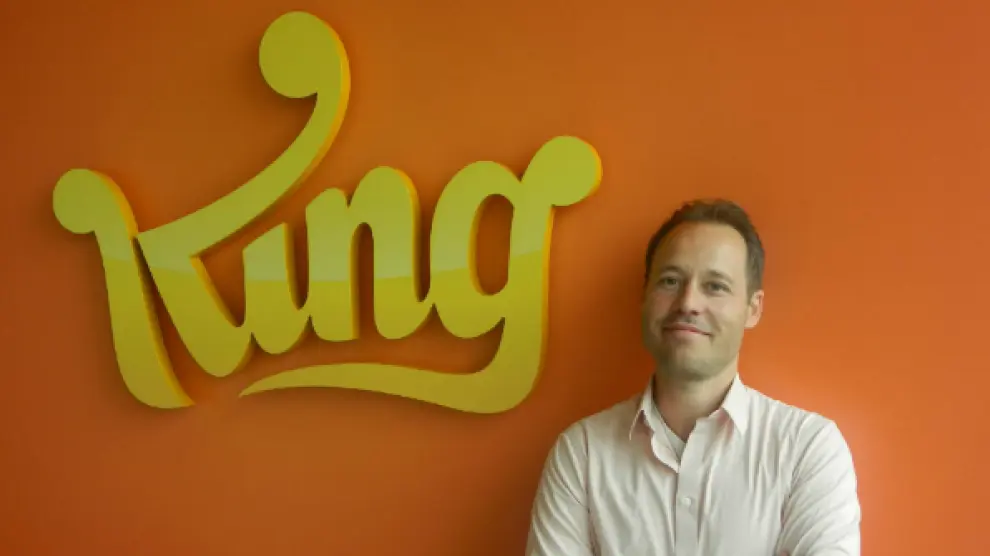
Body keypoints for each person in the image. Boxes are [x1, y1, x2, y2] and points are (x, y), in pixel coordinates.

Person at [525, 199, 861, 555]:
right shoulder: (582, 453)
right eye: (670, 281)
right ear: (644, 297)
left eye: (715, 286)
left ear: (753, 308)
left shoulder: (806, 449)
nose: (687, 303)